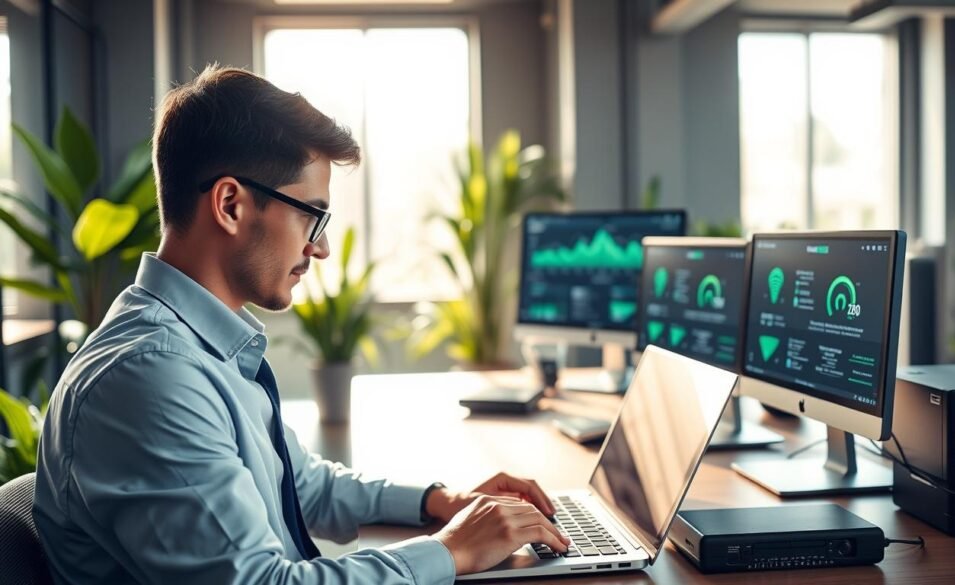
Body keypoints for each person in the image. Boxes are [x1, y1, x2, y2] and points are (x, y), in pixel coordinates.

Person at [33, 65, 569, 585]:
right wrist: (450, 551)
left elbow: (300, 483)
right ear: (230, 204)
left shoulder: (199, 345)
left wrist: (440, 501)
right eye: (311, 214)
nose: (322, 247)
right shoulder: (151, 376)